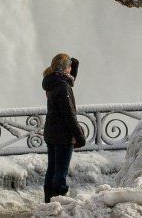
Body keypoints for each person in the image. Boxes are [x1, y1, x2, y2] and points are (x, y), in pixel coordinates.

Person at [41, 52, 85, 203]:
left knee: (52, 170)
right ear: (66, 69)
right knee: (60, 173)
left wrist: (73, 64)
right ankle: (58, 204)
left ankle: (48, 202)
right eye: (70, 67)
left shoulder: (52, 81)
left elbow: (69, 80)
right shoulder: (63, 86)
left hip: (51, 133)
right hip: (63, 135)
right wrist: (79, 136)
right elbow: (69, 115)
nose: (71, 69)